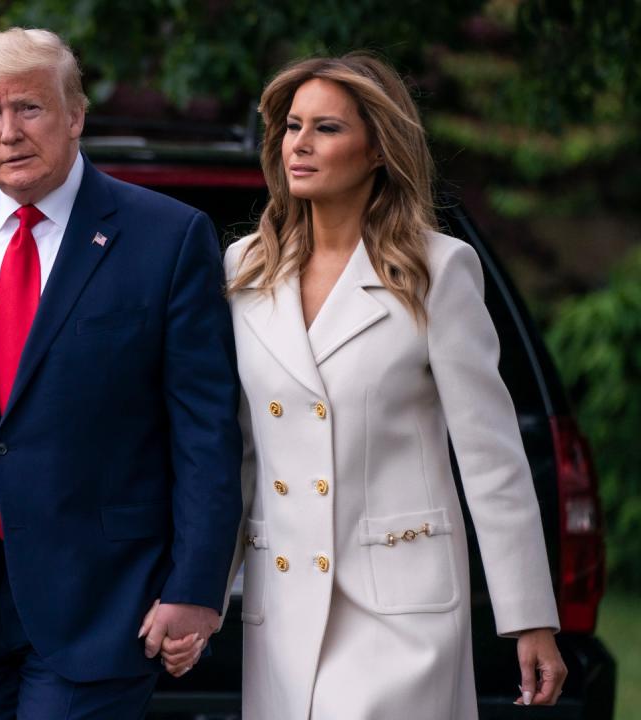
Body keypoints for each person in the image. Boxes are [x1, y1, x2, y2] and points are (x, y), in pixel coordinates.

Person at [0, 28, 242, 719]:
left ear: (76, 116)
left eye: (29, 109)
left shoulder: (167, 237)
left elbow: (205, 433)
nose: (10, 133)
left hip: (104, 601)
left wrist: (198, 587)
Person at [211, 52, 567, 718]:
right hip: (282, 606)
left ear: (378, 149)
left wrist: (529, 617)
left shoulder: (438, 269)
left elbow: (491, 458)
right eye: (292, 127)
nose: (301, 145)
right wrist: (201, 592)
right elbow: (238, 448)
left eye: (327, 129)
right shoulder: (244, 269)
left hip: (401, 609)